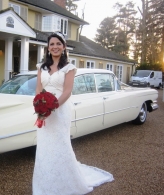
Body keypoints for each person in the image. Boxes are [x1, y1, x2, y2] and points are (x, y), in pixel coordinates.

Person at [32, 32, 114, 195]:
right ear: (48, 48)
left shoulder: (69, 68)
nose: (55, 47)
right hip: (43, 111)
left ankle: (66, 183)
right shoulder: (41, 67)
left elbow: (67, 91)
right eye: (52, 44)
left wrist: (52, 108)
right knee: (44, 146)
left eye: (58, 44)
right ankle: (45, 183)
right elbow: (38, 89)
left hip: (60, 110)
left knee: (60, 144)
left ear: (63, 47)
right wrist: (38, 107)